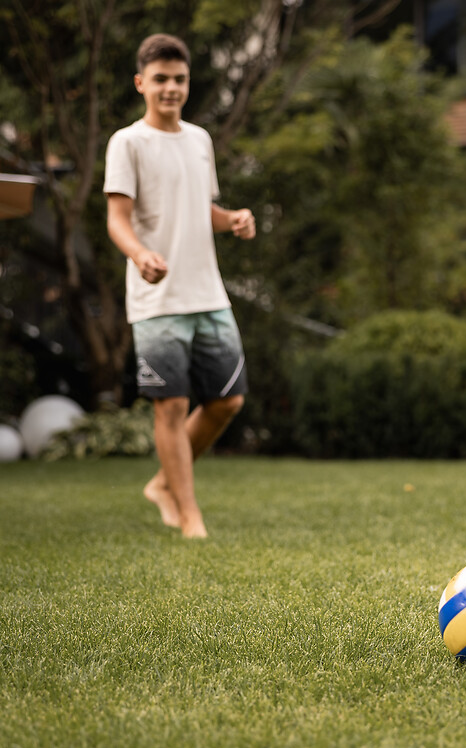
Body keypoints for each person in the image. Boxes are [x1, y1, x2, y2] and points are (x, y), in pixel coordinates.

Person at [104, 33, 255, 538]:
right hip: (157, 299)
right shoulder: (127, 143)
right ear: (140, 83)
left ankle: (163, 483)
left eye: (180, 79)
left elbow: (200, 208)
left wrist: (232, 219)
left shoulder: (199, 140)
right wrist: (139, 254)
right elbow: (117, 218)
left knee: (228, 401)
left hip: (208, 292)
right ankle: (189, 515)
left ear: (188, 83)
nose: (171, 88)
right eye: (161, 79)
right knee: (170, 406)